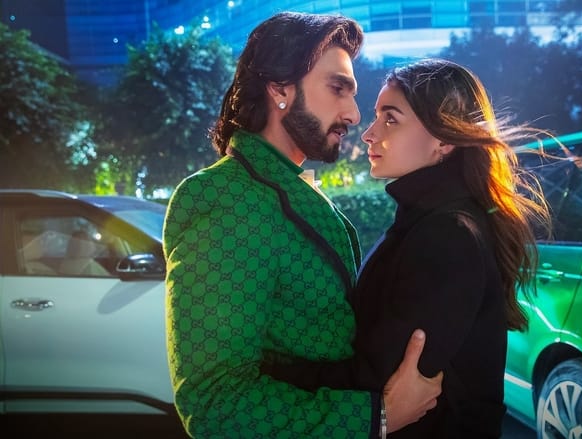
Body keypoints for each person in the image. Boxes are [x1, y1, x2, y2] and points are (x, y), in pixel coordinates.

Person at [163, 12, 442, 439]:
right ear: (280, 88)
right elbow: (214, 403)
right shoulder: (224, 197)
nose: (353, 114)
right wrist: (379, 416)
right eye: (337, 89)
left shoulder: (285, 186)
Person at [264, 58, 553, 438]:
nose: (369, 134)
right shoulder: (426, 220)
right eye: (376, 117)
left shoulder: (447, 234)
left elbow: (377, 377)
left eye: (391, 119)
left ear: (444, 140)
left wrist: (264, 372)